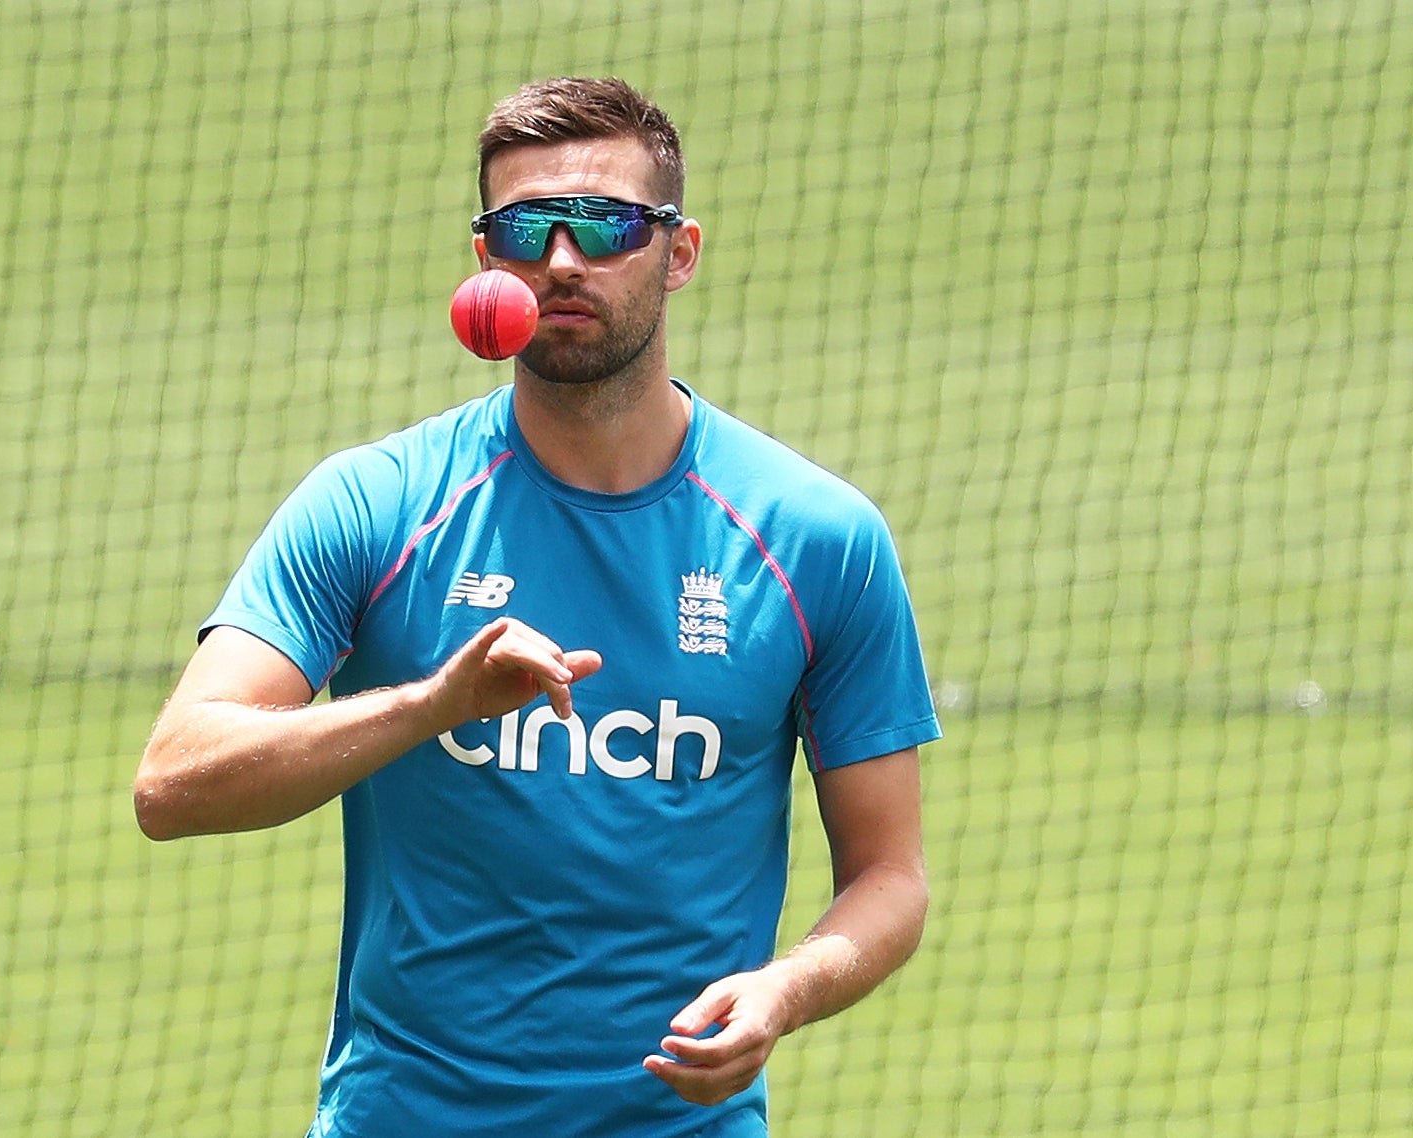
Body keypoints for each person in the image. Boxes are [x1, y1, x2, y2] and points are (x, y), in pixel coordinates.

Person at [135, 76, 941, 1138]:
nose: (561, 260)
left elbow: (889, 877)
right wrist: (428, 704)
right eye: (524, 228)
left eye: (604, 225)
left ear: (678, 251)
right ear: (485, 262)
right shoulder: (377, 503)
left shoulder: (813, 537)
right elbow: (172, 781)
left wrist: (782, 991)